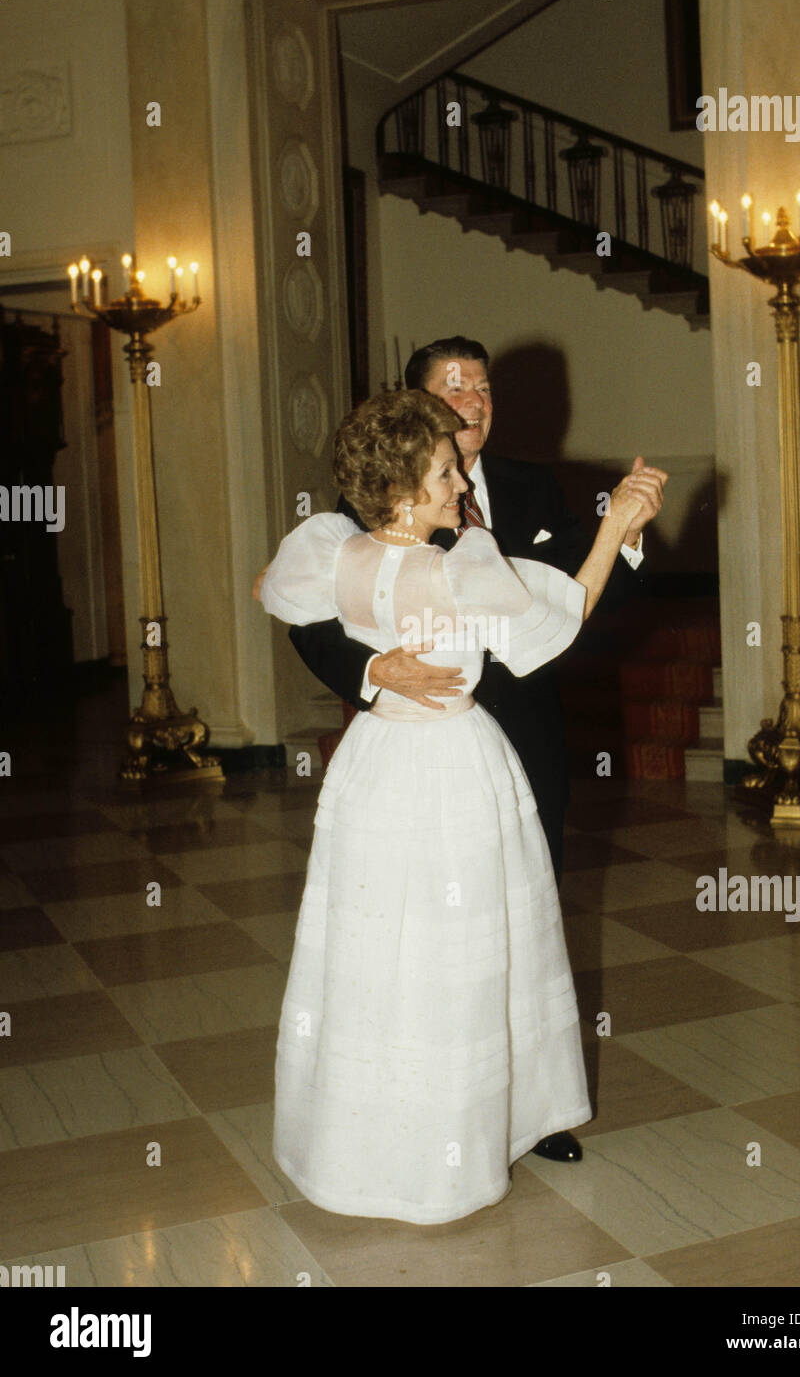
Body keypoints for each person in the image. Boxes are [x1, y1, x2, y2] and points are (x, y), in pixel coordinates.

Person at [257, 388, 655, 1226]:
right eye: (444, 473)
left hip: (375, 762)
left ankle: (368, 1144)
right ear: (403, 491)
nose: (460, 484)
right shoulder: (458, 567)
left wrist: (377, 657)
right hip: (454, 766)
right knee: (463, 951)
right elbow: (563, 617)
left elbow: (273, 589)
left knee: (375, 950)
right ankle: (455, 1147)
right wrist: (615, 525)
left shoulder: (333, 552)